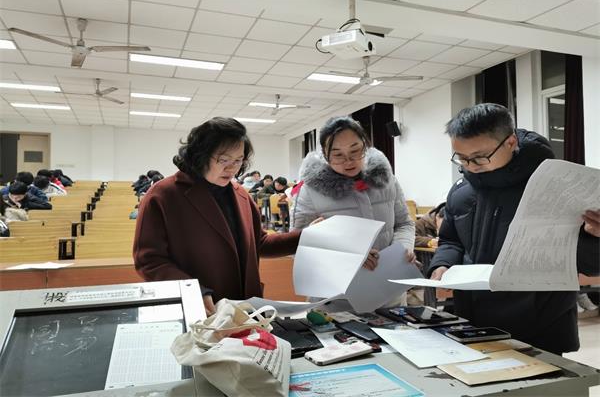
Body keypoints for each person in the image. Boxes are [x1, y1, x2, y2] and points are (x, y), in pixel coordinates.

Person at [428, 103, 600, 355]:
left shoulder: (554, 187)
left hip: (539, 324)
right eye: (462, 158)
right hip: (473, 321)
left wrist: (593, 237)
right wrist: (442, 265)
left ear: (510, 142)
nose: (470, 165)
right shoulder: (461, 191)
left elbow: (586, 264)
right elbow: (451, 240)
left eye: (479, 157)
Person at [133, 117, 303, 315]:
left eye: (238, 160)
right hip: (200, 312)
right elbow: (149, 260)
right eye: (224, 160)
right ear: (200, 155)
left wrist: (309, 236)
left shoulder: (241, 195)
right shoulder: (163, 195)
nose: (232, 168)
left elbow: (260, 243)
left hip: (246, 311)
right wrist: (193, 291)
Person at [291, 115, 416, 272]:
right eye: (338, 155)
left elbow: (404, 223)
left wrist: (402, 248)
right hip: (338, 282)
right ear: (325, 154)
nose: (349, 161)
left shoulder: (387, 180)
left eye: (355, 151)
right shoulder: (310, 191)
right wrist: (348, 255)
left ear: (365, 145)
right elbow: (296, 246)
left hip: (389, 277)